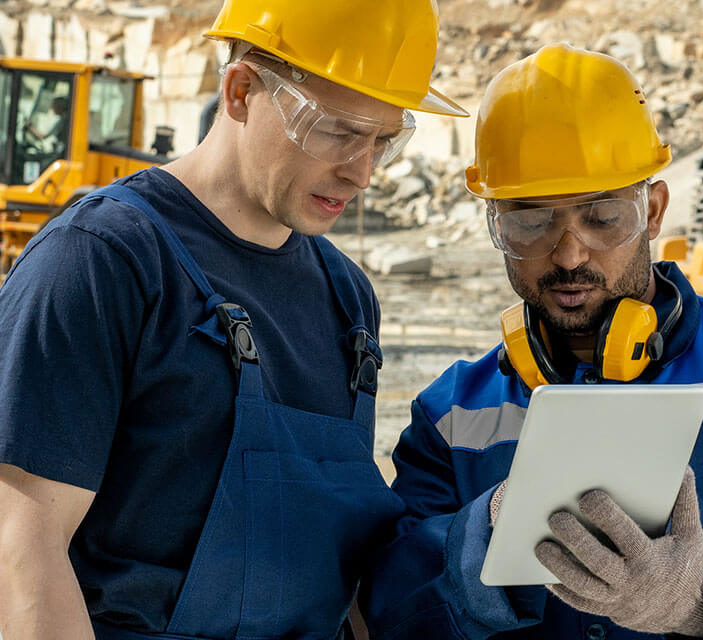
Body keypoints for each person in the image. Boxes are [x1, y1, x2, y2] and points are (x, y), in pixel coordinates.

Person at [363, 44, 703, 640]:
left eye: (601, 216)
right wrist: (484, 537)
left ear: (653, 213)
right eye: (531, 221)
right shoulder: (451, 415)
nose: (569, 254)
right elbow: (389, 605)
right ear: (495, 226)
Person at [0, 0, 466, 638]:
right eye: (337, 130)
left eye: (383, 140)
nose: (361, 172)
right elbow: (21, 548)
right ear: (242, 90)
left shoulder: (348, 296)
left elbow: (341, 570)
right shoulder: (103, 260)